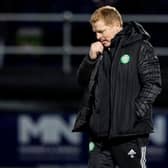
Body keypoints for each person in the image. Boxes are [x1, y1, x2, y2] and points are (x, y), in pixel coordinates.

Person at [72, 5, 162, 168]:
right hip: (100, 137)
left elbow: (153, 83)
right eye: (95, 32)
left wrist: (133, 113)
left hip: (128, 134)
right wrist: (89, 60)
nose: (98, 36)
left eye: (101, 31)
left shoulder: (140, 47)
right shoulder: (98, 52)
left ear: (115, 26)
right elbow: (82, 82)